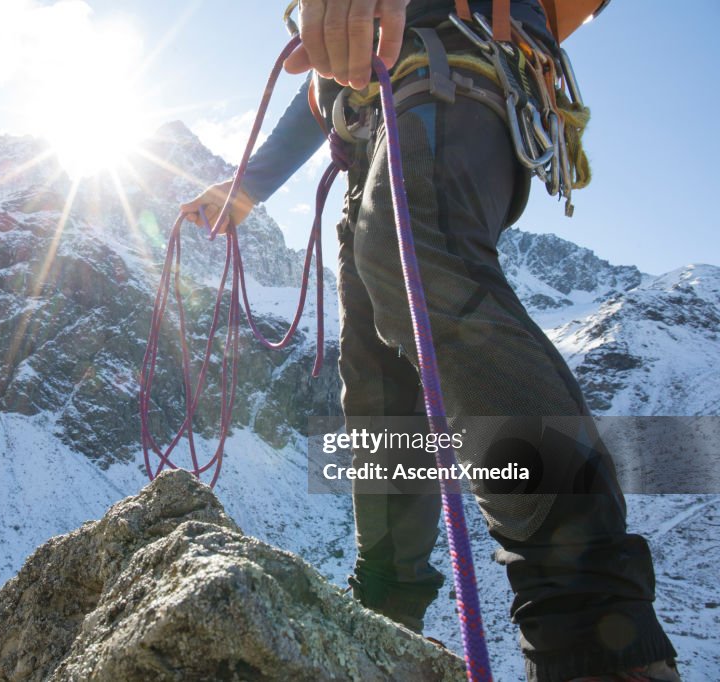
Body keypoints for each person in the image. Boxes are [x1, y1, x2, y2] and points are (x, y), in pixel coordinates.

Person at [180, 1, 681, 680]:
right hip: (383, 132)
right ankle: (385, 617)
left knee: (414, 252)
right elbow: (323, 83)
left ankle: (592, 625)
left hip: (456, 70)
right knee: (378, 379)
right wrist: (246, 190)